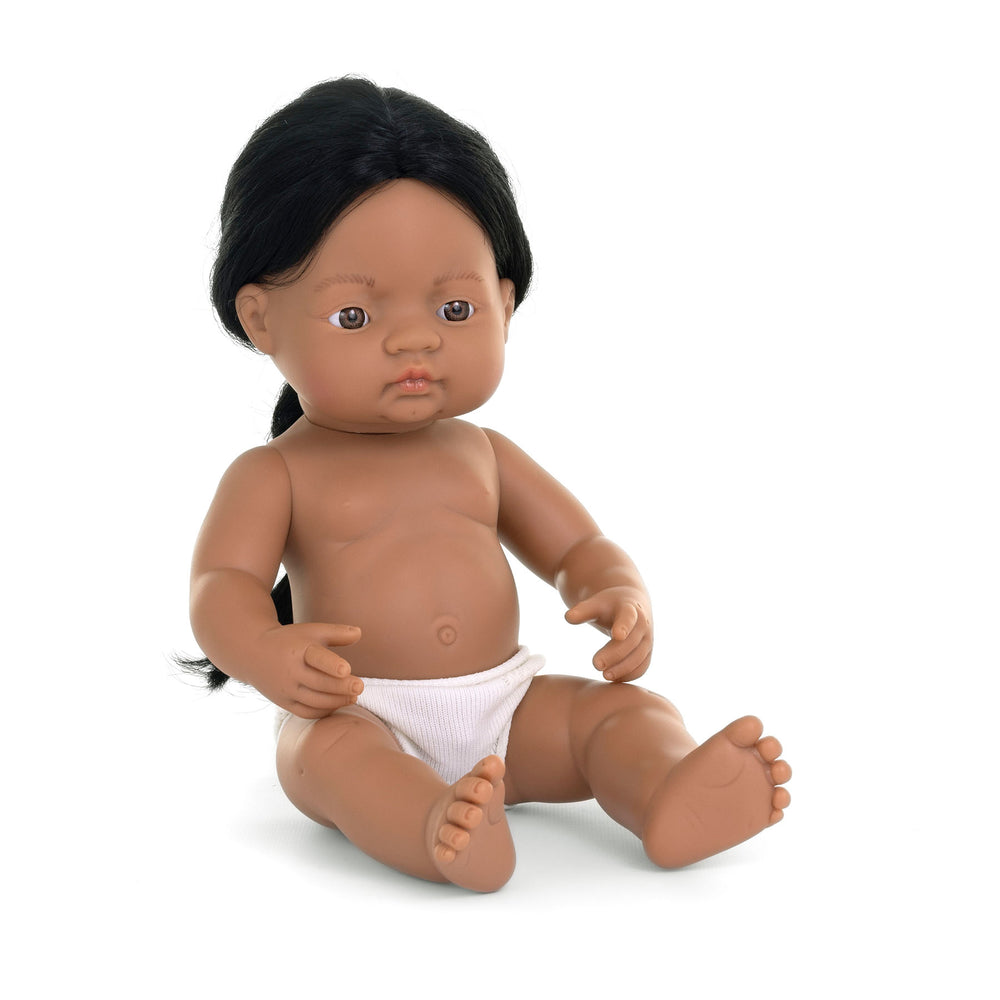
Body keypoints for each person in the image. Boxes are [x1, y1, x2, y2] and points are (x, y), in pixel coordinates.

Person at [186, 78, 791, 891]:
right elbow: (221, 585)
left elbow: (576, 545)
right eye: (356, 317)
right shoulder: (275, 474)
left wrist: (618, 591)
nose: (414, 340)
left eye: (454, 310)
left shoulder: (483, 454)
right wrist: (262, 650)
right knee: (331, 762)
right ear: (261, 319)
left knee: (620, 715)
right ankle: (431, 826)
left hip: (506, 706)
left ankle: (665, 789)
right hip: (360, 710)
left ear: (504, 304)